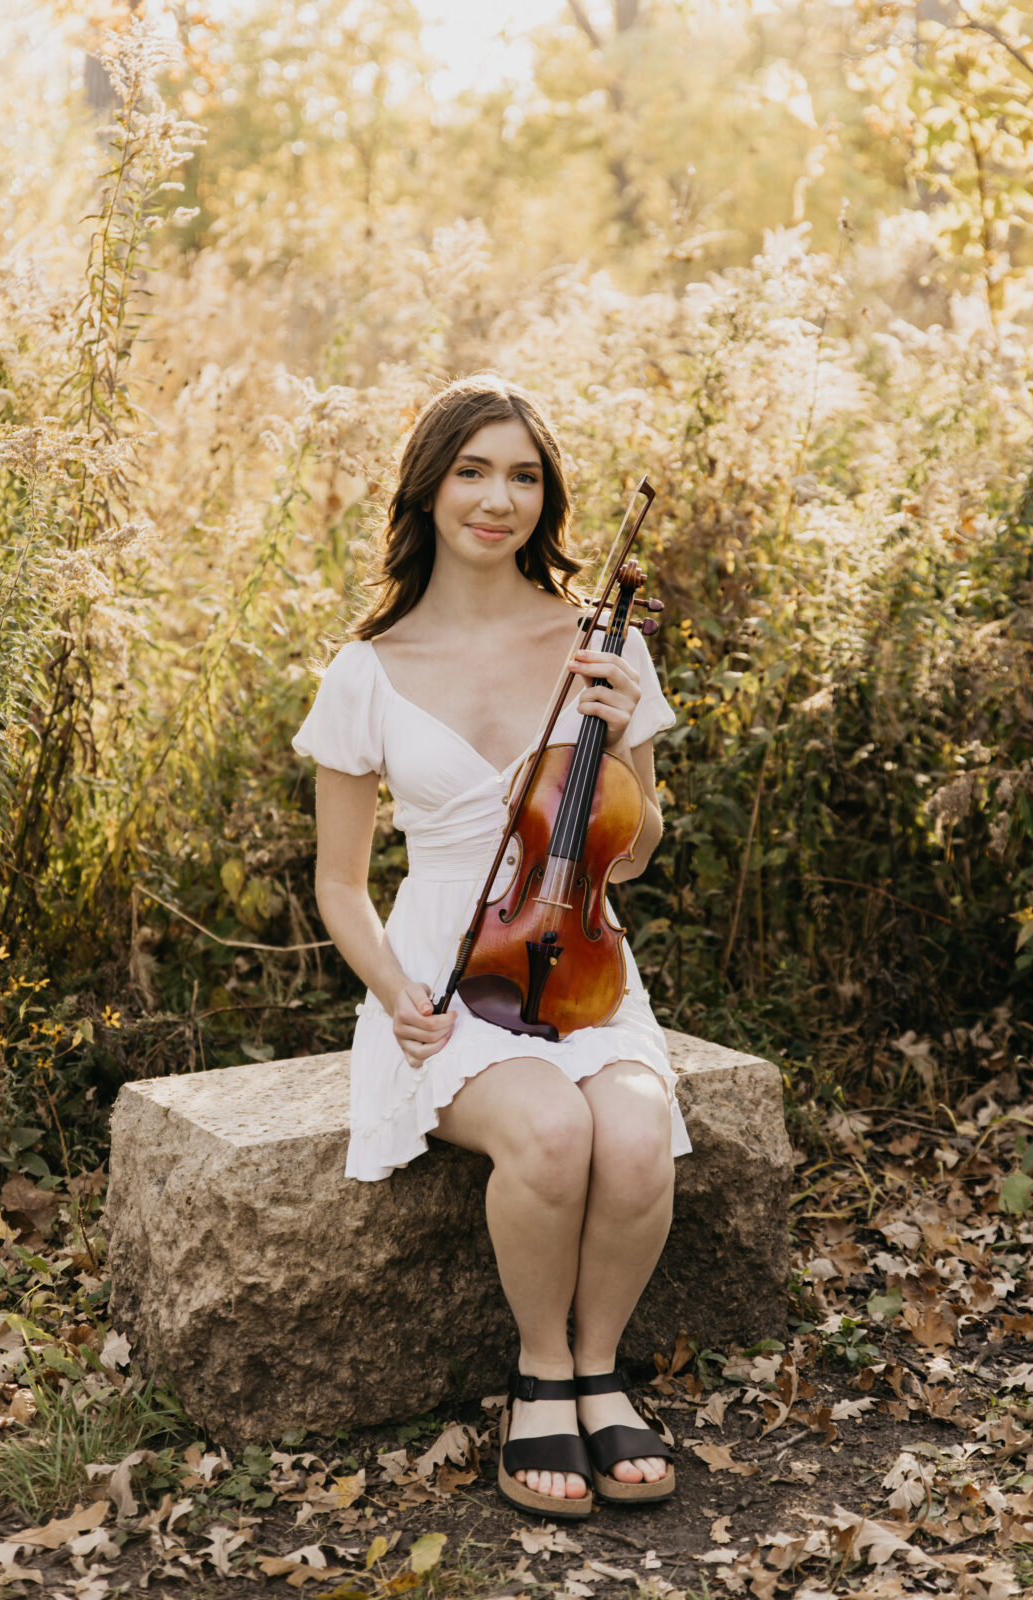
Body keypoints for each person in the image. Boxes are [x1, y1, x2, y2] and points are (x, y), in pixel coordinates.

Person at [292, 372, 692, 1519]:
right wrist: (396, 992)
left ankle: (600, 1363)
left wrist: (622, 732)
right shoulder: (365, 669)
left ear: (546, 498)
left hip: (582, 964)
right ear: (428, 489)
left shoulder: (597, 647)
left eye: (522, 475)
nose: (496, 498)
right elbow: (338, 883)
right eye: (472, 470)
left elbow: (634, 851)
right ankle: (539, 1376)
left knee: (633, 1125)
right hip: (440, 974)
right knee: (551, 1130)